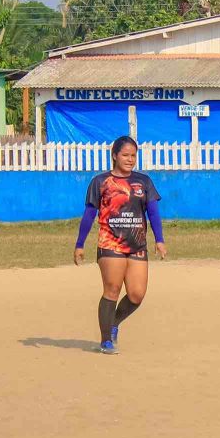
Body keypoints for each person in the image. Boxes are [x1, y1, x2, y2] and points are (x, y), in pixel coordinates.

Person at [73, 136, 166, 354]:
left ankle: (112, 323)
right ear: (114, 155)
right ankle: (106, 340)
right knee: (112, 289)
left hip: (137, 244)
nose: (130, 159)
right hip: (110, 242)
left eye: (133, 155)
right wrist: (80, 244)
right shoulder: (100, 181)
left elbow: (153, 213)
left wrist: (159, 240)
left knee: (136, 294)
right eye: (125, 155)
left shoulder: (144, 181)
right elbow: (89, 215)